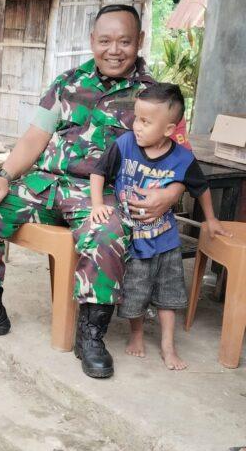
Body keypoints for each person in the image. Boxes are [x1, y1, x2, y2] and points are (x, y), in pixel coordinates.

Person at [0, 4, 187, 379]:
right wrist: (2, 175)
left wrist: (171, 194)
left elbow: (177, 155)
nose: (114, 50)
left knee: (107, 232)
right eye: (105, 41)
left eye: (124, 41)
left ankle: (91, 335)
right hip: (44, 185)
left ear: (140, 41)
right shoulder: (67, 83)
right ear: (92, 40)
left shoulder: (153, 96)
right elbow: (34, 138)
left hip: (99, 193)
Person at [90, 84, 229, 370]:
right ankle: (137, 334)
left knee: (169, 295)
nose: (136, 126)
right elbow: (99, 172)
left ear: (168, 130)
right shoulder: (125, 144)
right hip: (135, 241)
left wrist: (211, 219)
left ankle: (168, 345)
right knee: (135, 293)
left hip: (167, 242)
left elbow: (201, 188)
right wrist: (97, 204)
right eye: (136, 118)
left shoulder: (183, 159)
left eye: (145, 121)